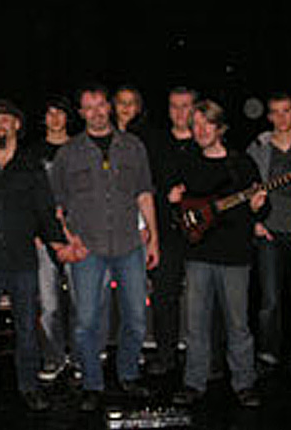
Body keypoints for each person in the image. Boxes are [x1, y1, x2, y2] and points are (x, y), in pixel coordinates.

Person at [0, 100, 80, 413]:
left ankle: (29, 387)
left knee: (27, 330)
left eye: (5, 120)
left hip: (22, 261)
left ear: (17, 126)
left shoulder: (31, 167)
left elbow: (45, 212)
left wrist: (59, 245)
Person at [51, 84, 160, 412]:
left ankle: (128, 374)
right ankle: (91, 383)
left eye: (100, 105)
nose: (96, 112)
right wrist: (68, 239)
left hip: (130, 246)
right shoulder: (68, 153)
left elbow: (144, 194)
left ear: (108, 107)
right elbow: (56, 206)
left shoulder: (133, 147)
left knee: (136, 318)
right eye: (89, 107)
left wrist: (154, 238)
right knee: (86, 321)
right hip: (88, 249)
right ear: (81, 113)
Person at [169, 99, 266, 408]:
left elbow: (261, 210)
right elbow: (180, 215)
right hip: (198, 254)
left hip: (235, 256)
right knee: (195, 324)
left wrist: (259, 206)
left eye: (206, 124)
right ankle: (194, 382)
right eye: (195, 125)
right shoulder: (187, 163)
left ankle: (244, 383)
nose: (200, 130)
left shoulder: (242, 164)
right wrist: (173, 202)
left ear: (220, 127)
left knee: (238, 325)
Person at [246, 93, 291, 384]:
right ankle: (267, 355)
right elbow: (245, 187)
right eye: (275, 112)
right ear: (268, 116)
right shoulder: (258, 148)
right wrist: (255, 222)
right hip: (269, 233)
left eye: (286, 111)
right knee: (269, 302)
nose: (281, 117)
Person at [146, 86, 199, 376]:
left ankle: (203, 357)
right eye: (174, 106)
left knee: (202, 298)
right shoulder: (155, 144)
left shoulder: (205, 141)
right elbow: (145, 188)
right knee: (164, 297)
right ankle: (165, 356)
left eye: (186, 106)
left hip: (202, 235)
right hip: (166, 233)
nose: (180, 112)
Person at [30, 96, 77, 382]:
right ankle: (53, 357)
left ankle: (81, 357)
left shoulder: (80, 147)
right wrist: (35, 232)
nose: (56, 118)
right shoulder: (33, 153)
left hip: (76, 236)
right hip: (42, 238)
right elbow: (28, 196)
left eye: (60, 112)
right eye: (50, 113)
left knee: (80, 301)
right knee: (48, 304)